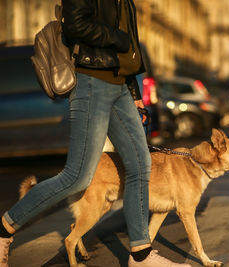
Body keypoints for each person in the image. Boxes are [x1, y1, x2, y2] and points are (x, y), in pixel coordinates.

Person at [0, 0, 190, 266]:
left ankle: (141, 255)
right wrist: (119, 39)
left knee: (139, 165)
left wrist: (134, 92)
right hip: (91, 82)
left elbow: (128, 45)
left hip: (120, 85)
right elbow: (76, 25)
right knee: (77, 177)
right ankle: (4, 228)